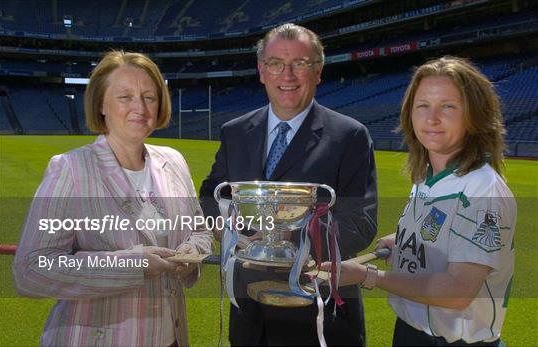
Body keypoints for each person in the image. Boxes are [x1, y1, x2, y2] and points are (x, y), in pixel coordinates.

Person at [13, 51, 213, 347]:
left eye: (149, 96)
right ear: (101, 104)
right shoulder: (70, 169)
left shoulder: (174, 161)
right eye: (124, 97)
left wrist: (191, 252)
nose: (140, 108)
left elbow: (199, 229)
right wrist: (133, 265)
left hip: (171, 337)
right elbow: (30, 270)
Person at [199, 23, 377, 346]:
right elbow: (211, 195)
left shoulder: (350, 136)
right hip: (250, 316)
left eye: (300, 64)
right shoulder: (235, 132)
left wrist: (281, 240)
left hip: (319, 318)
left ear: (318, 71)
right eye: (276, 64)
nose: (288, 75)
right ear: (261, 71)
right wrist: (230, 229)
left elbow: (361, 222)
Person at [321, 56, 516, 346]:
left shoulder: (481, 189)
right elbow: (440, 238)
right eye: (422, 105)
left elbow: (457, 290)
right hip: (410, 332)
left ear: (475, 115)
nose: (431, 118)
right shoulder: (427, 176)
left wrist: (368, 276)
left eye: (448, 106)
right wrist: (403, 242)